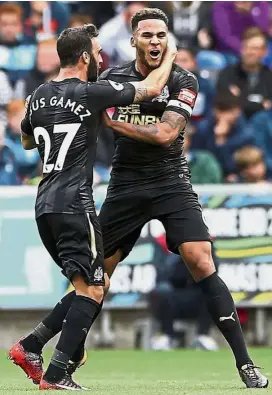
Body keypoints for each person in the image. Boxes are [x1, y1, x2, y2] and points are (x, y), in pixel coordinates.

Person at [100, 8, 268, 388]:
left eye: (161, 35)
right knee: (96, 273)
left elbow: (164, 134)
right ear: (134, 41)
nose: (155, 41)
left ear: (168, 39)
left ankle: (245, 363)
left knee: (201, 258)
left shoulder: (184, 79)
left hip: (170, 181)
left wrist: (114, 122)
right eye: (147, 35)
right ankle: (59, 352)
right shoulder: (113, 78)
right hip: (125, 183)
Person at [8, 23, 177, 390]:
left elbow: (24, 139)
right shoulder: (90, 91)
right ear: (84, 57)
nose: (102, 59)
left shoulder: (38, 94)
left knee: (87, 285)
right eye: (98, 53)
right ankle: (55, 373)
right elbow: (151, 88)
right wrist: (172, 55)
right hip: (74, 204)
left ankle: (32, 346)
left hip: (45, 205)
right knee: (94, 289)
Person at [192, 92, 254, 179]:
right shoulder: (203, 129)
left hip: (235, 178)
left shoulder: (245, 134)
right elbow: (198, 159)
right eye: (221, 111)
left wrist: (221, 141)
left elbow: (231, 167)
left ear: (238, 111)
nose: (224, 116)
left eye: (229, 111)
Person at [217, 27, 272, 119]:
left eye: (255, 48)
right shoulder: (227, 74)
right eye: (246, 47)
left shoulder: (269, 77)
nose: (250, 52)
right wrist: (261, 104)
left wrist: (240, 98)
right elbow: (226, 104)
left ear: (265, 52)